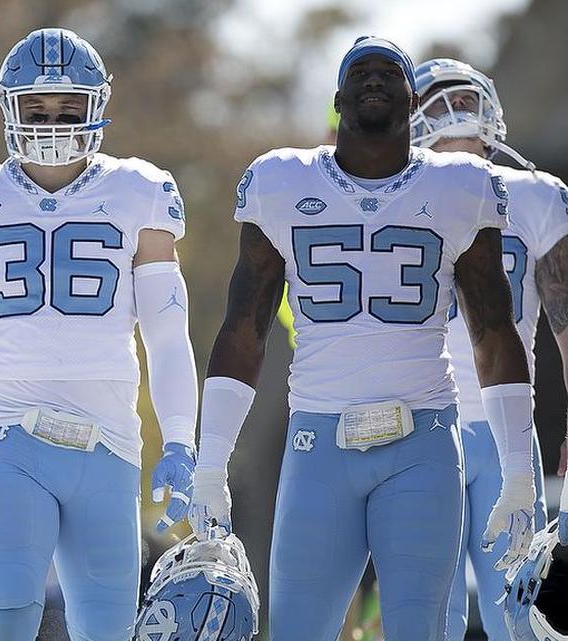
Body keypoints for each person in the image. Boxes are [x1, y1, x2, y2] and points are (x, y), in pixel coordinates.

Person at [189, 37, 536, 640]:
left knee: (418, 630)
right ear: (338, 98)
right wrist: (211, 461)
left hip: (423, 441)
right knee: (298, 628)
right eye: (360, 72)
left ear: (410, 98)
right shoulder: (281, 181)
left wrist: (518, 468)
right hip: (318, 440)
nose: (374, 79)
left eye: (387, 73)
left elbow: (493, 334)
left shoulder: (460, 186)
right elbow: (243, 333)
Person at [0, 28, 200, 641]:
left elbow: (167, 331)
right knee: (6, 618)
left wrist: (182, 441)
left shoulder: (140, 190)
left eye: (66, 108)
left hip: (108, 440)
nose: (51, 122)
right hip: (7, 438)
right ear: (9, 106)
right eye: (36, 108)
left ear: (97, 106)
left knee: (107, 627)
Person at [407, 57, 568, 641]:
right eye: (443, 104)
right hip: (420, 428)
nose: (460, 116)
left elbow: (565, 321)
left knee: (523, 617)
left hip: (506, 433)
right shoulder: (387, 199)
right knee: (428, 616)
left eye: (469, 102)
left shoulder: (537, 197)